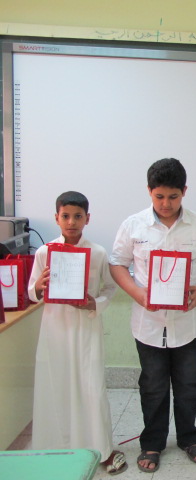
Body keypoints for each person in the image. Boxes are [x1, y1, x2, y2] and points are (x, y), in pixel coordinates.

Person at [109, 158, 196, 473]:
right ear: (149, 191)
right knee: (153, 387)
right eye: (159, 196)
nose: (166, 204)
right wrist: (138, 293)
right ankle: (152, 442)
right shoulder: (133, 225)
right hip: (149, 325)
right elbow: (117, 264)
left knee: (189, 384)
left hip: (189, 324)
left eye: (173, 196)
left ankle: (189, 438)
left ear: (184, 191)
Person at [28, 191, 127, 475]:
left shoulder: (98, 253)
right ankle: (54, 447)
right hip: (55, 329)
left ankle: (101, 450)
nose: (71, 222)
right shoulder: (44, 252)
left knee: (91, 387)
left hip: (86, 328)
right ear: (56, 218)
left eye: (78, 216)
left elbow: (110, 287)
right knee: (55, 386)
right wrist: (39, 287)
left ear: (87, 218)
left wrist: (95, 303)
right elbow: (31, 292)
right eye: (66, 216)